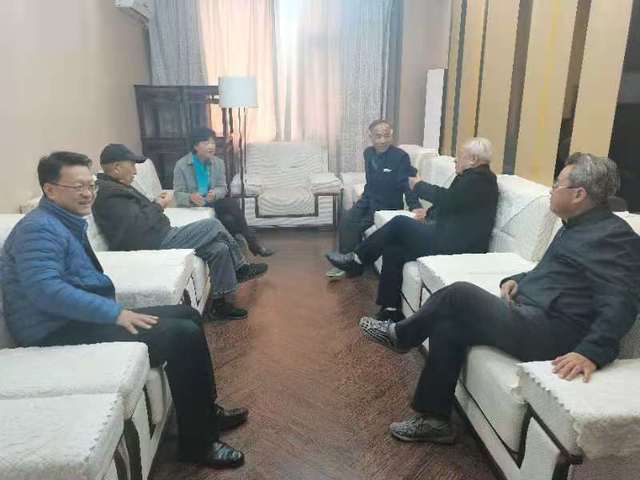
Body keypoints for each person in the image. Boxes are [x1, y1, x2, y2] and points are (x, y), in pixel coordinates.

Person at [359, 153, 640, 443]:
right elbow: (553, 271)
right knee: (449, 323)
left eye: (557, 184)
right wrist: (517, 280)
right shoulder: (576, 225)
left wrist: (591, 351)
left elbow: (622, 302)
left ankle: (402, 336)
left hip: (554, 333)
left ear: (579, 194)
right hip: (533, 315)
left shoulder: (614, 238)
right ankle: (435, 420)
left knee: (459, 294)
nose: (551, 190)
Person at [0, 151, 248, 468]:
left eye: (91, 185)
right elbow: (46, 291)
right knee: (181, 335)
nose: (88, 193)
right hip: (54, 330)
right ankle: (198, 445)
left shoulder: (61, 221)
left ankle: (206, 413)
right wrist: (115, 314)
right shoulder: (38, 229)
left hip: (74, 319)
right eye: (78, 187)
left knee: (188, 316)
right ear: (50, 190)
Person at [326, 137, 498, 322]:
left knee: (400, 223)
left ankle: (357, 259)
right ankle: (391, 310)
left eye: (460, 156)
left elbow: (448, 199)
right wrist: (428, 213)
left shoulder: (481, 181)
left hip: (459, 245)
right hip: (449, 235)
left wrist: (419, 186)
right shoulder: (473, 178)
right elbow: (454, 204)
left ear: (473, 159)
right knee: (393, 248)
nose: (456, 160)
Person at [92, 144, 266, 321]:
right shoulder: (110, 194)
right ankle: (241, 268)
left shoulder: (117, 186)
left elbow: (137, 217)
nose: (135, 171)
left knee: (219, 248)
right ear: (117, 168)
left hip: (158, 235)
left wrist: (154, 204)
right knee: (212, 225)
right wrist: (158, 205)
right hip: (152, 241)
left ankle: (220, 306)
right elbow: (137, 226)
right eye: (132, 165)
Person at [327, 119, 423, 279]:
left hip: (387, 204)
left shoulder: (400, 157)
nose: (382, 140)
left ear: (391, 136)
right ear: (370, 136)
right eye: (378, 136)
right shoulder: (368, 153)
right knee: (348, 219)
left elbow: (406, 184)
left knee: (358, 225)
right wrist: (364, 196)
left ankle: (352, 264)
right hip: (368, 199)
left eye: (386, 136)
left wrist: (415, 206)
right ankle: (346, 261)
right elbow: (370, 179)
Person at [173, 127, 274, 257]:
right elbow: (178, 194)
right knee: (229, 217)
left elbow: (222, 187)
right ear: (195, 146)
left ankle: (243, 247)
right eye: (206, 143)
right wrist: (190, 197)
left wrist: (215, 193)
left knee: (230, 209)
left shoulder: (218, 163)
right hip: (195, 205)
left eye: (213, 143)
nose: (211, 146)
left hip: (213, 202)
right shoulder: (181, 165)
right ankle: (251, 243)